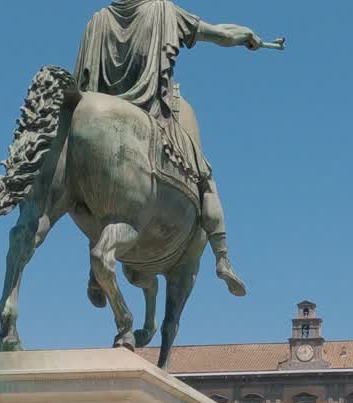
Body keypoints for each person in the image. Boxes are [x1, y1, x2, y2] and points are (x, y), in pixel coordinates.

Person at [74, 0, 269, 296]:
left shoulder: (97, 20)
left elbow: (82, 85)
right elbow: (220, 34)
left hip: (94, 121)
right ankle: (223, 257)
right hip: (153, 113)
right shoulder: (163, 10)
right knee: (205, 179)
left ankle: (94, 268)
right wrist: (248, 36)